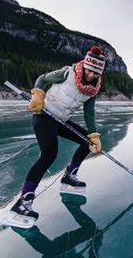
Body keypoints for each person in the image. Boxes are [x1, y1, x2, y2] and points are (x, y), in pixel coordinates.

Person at [10, 46, 105, 223]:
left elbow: (89, 114)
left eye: (96, 73)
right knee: (49, 154)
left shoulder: (92, 90)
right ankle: (23, 202)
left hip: (60, 120)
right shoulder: (67, 73)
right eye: (90, 70)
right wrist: (38, 96)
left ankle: (69, 176)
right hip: (44, 115)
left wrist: (94, 135)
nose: (91, 75)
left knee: (86, 142)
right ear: (84, 65)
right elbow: (42, 79)